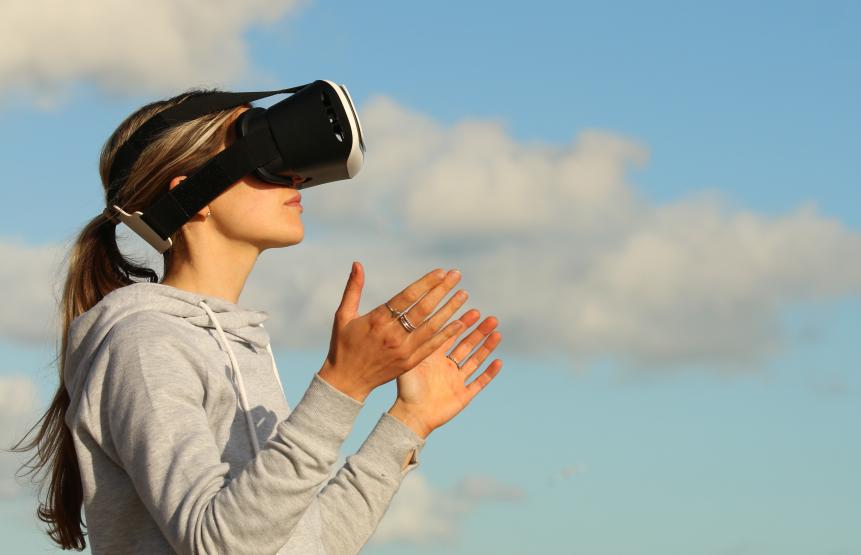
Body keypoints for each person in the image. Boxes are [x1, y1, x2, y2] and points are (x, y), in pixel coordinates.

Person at [11, 90, 504, 553]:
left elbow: (305, 544)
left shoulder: (240, 346)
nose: (295, 176)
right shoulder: (143, 343)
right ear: (194, 196)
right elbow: (220, 543)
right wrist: (343, 384)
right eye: (262, 151)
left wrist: (408, 422)